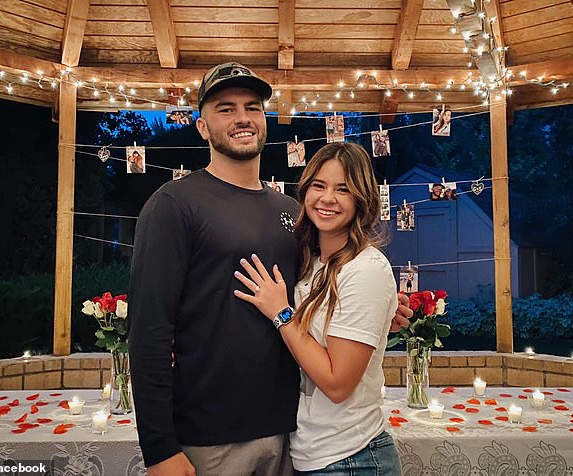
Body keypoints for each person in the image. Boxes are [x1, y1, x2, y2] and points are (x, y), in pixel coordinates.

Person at [128, 62, 413, 476]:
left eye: (252, 107)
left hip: (290, 435)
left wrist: (380, 313)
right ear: (202, 127)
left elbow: (324, 288)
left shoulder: (292, 213)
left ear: (264, 120)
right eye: (225, 108)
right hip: (209, 437)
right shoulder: (174, 204)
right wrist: (158, 449)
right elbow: (149, 331)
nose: (242, 117)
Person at [234, 142, 402, 474]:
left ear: (362, 200)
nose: (327, 198)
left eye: (343, 189)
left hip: (352, 457)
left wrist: (282, 313)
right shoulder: (311, 263)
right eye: (319, 185)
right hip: (310, 450)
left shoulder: (366, 269)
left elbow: (338, 384)